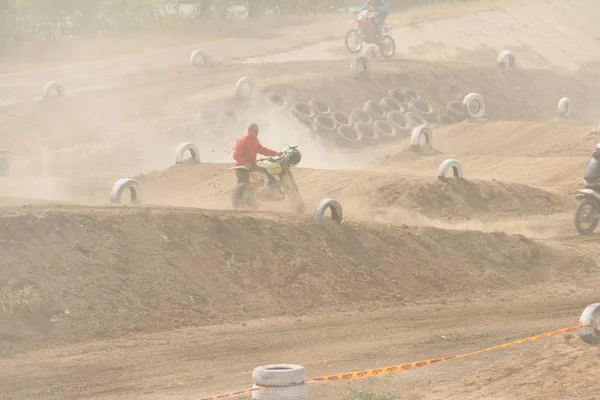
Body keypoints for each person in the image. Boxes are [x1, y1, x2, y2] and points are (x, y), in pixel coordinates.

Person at [233, 123, 278, 189]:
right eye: (255, 131)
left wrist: (274, 153)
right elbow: (236, 155)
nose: (256, 133)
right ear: (249, 130)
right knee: (245, 188)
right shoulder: (243, 140)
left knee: (268, 172)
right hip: (242, 169)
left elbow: (262, 150)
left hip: (252, 167)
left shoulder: (254, 140)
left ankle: (269, 192)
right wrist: (245, 162)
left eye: (257, 131)